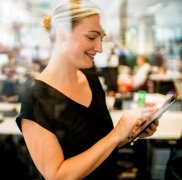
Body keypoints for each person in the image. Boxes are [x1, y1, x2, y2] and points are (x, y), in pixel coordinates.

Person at [16, 1, 159, 179]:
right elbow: (57, 175)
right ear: (62, 33)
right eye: (92, 37)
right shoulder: (35, 98)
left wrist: (128, 134)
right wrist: (115, 135)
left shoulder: (90, 78)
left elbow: (96, 146)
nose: (99, 48)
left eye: (101, 38)